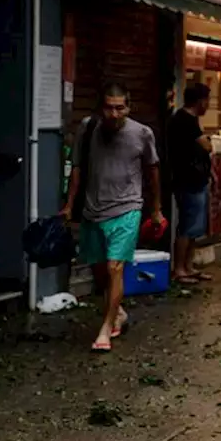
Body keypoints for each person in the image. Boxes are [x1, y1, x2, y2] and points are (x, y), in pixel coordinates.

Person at [60, 83, 165, 352]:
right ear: (100, 107)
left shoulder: (142, 133)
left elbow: (153, 171)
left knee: (114, 267)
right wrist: (69, 204)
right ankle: (117, 312)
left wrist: (155, 209)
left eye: (120, 108)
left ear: (128, 107)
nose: (114, 114)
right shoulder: (88, 127)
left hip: (127, 209)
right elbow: (78, 168)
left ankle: (106, 328)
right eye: (109, 107)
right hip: (93, 210)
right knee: (100, 271)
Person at [167, 83, 214, 284]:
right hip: (188, 180)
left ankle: (188, 266)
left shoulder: (188, 119)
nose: (208, 105)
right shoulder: (185, 120)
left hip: (196, 179)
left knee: (195, 226)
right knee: (187, 225)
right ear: (201, 101)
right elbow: (206, 146)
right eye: (207, 101)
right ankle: (179, 269)